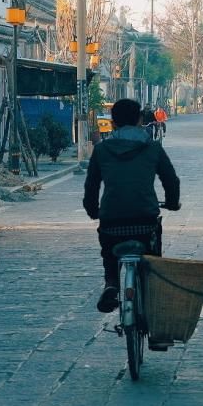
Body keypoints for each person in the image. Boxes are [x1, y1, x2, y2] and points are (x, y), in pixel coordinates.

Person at [83, 98, 180, 318]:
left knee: (109, 254)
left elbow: (91, 187)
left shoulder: (102, 150)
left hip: (111, 223)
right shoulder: (153, 148)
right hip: (145, 221)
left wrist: (93, 210)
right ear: (139, 120)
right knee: (152, 259)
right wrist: (172, 203)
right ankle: (154, 312)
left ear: (114, 123)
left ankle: (111, 284)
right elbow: (171, 181)